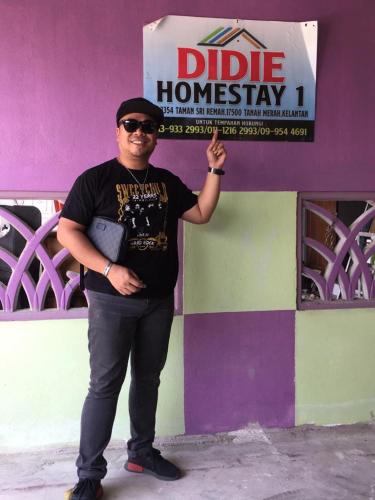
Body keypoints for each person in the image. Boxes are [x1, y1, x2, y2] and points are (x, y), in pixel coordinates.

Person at [57, 97, 227, 500]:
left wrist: (215, 169)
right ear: (118, 131)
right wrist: (109, 270)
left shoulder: (167, 182)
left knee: (148, 379)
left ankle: (141, 453)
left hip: (158, 300)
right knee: (104, 385)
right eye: (130, 124)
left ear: (156, 137)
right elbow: (68, 232)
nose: (139, 132)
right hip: (110, 300)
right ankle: (90, 475)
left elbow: (202, 213)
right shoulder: (95, 179)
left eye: (148, 126)